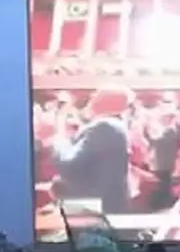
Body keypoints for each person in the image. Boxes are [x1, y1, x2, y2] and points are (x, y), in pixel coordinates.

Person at [47, 85, 134, 215]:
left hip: (93, 206)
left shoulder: (104, 126)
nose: (91, 98)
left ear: (105, 102)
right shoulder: (113, 126)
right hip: (101, 204)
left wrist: (58, 140)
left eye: (96, 95)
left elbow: (69, 165)